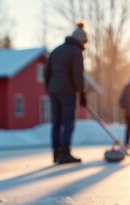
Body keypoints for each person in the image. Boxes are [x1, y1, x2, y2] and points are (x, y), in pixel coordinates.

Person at [45, 23, 88, 164]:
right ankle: (65, 152)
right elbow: (77, 74)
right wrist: (81, 93)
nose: (85, 45)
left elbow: (47, 72)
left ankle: (56, 153)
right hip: (67, 92)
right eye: (84, 42)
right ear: (80, 40)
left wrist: (49, 88)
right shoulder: (76, 52)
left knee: (56, 123)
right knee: (68, 122)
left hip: (53, 91)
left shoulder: (56, 50)